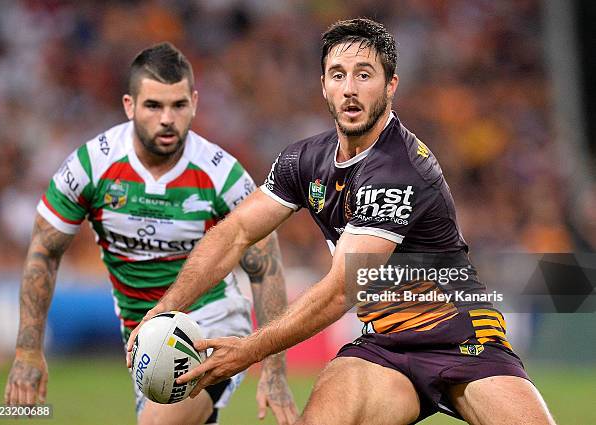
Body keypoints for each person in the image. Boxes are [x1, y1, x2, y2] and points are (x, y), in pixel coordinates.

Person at [127, 19, 557, 425]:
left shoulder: (399, 168)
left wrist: (248, 351)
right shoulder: (303, 160)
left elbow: (341, 290)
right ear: (323, 85)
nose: (349, 89)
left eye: (364, 75)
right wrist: (165, 307)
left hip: (463, 340)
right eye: (338, 74)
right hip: (386, 348)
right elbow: (235, 233)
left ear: (391, 85)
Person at [5, 42, 297, 425]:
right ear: (129, 105)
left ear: (194, 102)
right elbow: (44, 251)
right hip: (141, 334)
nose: (167, 119)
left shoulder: (221, 174)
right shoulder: (91, 166)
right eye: (153, 106)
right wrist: (28, 351)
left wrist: (274, 373)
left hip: (211, 321)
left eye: (178, 105)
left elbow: (266, 267)